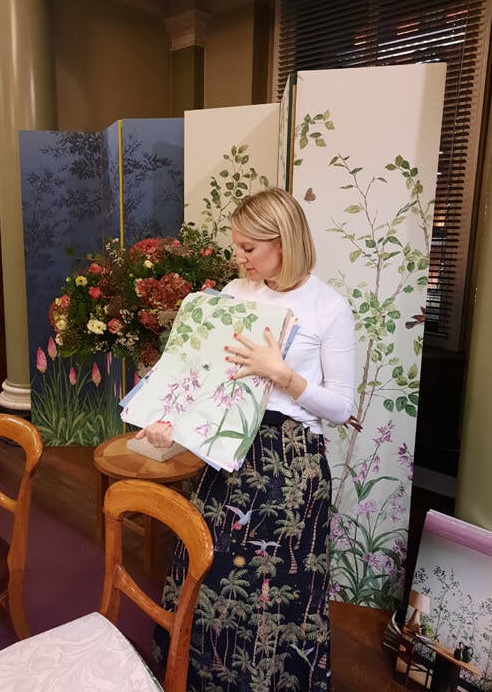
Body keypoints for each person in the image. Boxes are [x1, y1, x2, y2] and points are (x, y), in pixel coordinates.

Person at [137, 187, 356, 691]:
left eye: (249, 249)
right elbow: (208, 379)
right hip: (231, 448)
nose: (239, 258)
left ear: (284, 242)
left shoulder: (328, 308)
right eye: (237, 246)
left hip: (293, 464)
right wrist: (170, 422)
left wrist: (283, 375)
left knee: (278, 586)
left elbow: (342, 408)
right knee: (207, 566)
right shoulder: (235, 296)